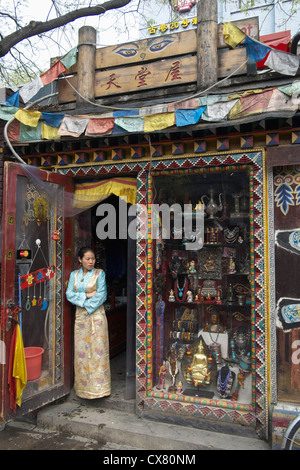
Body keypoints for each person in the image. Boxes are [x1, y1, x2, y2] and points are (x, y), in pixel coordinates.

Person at [66, 247, 111, 399]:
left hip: (97, 317)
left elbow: (102, 295)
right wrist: (86, 296)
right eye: (87, 259)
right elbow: (69, 294)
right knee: (82, 354)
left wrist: (86, 304)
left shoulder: (100, 274)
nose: (91, 261)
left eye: (93, 259)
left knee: (98, 353)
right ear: (80, 259)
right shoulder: (74, 275)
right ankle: (83, 389)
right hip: (80, 319)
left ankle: (100, 389)